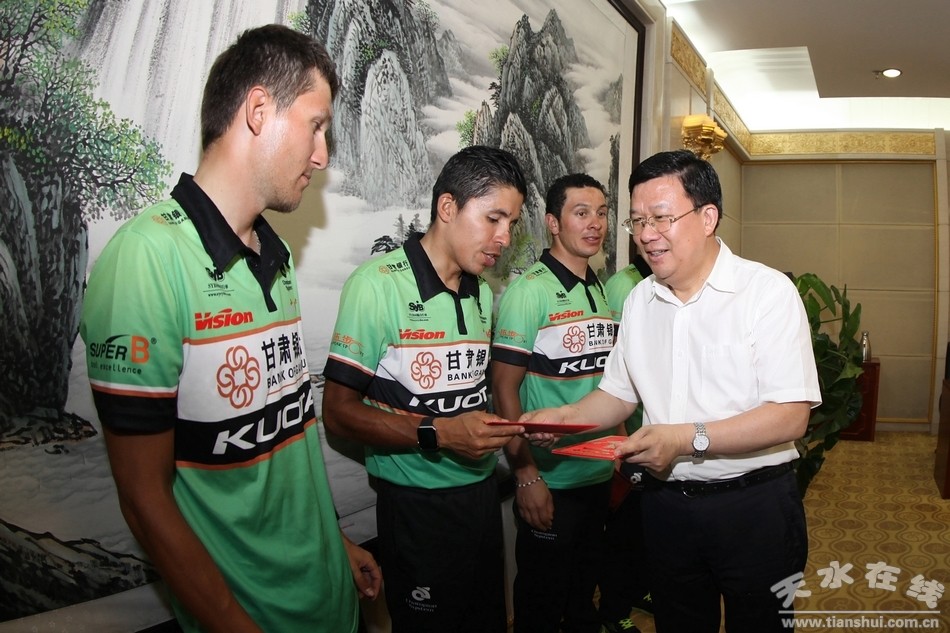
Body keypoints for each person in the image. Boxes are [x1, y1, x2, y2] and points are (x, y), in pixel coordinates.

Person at [80, 25, 380, 633]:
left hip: (330, 602)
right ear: (258, 110)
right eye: (316, 126)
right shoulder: (147, 259)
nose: (322, 156)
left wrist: (335, 543)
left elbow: (288, 437)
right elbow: (143, 499)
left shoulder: (274, 258)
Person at [522, 149, 820, 633]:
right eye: (638, 221)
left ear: (708, 217)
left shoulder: (765, 293)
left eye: (661, 218)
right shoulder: (640, 301)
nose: (645, 235)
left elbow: (790, 415)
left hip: (753, 508)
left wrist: (684, 438)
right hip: (666, 508)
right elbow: (619, 395)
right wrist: (565, 418)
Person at [321, 145, 527, 633]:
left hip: (480, 499)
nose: (504, 238)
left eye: (512, 224)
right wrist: (440, 433)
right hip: (416, 508)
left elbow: (466, 397)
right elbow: (338, 412)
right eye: (494, 219)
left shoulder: (481, 290)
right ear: (448, 207)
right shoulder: (377, 285)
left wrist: (512, 431)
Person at [491, 173, 619, 633]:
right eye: (581, 213)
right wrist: (526, 475)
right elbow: (502, 388)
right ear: (553, 223)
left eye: (601, 213)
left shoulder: (597, 288)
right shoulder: (530, 292)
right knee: (541, 606)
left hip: (596, 474)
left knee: (582, 599)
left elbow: (604, 382)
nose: (595, 223)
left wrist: (619, 449)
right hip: (551, 481)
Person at [596, 254, 650, 633]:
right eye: (643, 225)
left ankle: (637, 589)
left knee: (644, 530)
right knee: (622, 533)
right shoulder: (623, 286)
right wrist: (619, 438)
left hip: (655, 436)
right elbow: (611, 369)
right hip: (628, 436)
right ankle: (613, 610)